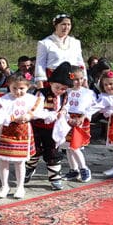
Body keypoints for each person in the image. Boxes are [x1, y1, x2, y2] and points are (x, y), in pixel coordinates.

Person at [0, 73, 46, 199]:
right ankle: (4, 185)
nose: (17, 91)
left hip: (23, 132)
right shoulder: (3, 100)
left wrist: (29, 116)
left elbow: (38, 111)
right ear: (9, 86)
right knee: (3, 160)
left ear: (27, 87)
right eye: (14, 88)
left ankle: (20, 187)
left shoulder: (31, 99)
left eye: (21, 88)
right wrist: (11, 118)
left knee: (20, 162)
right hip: (6, 131)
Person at [26, 63, 72, 191]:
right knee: (35, 151)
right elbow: (35, 111)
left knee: (53, 152)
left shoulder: (64, 96)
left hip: (53, 129)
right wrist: (49, 115)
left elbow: (65, 107)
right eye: (57, 87)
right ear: (51, 83)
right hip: (38, 127)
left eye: (63, 88)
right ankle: (29, 168)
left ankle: (55, 178)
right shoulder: (41, 94)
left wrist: (63, 112)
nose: (59, 91)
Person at [59, 65, 98, 182]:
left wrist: (83, 117)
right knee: (68, 147)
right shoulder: (66, 92)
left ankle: (84, 168)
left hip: (80, 121)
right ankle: (73, 170)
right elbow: (62, 106)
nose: (78, 81)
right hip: (68, 121)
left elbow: (93, 107)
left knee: (75, 146)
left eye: (81, 78)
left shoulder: (88, 93)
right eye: (75, 79)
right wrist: (67, 118)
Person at [35, 13, 86, 88]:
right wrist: (40, 84)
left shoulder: (75, 42)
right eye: (63, 24)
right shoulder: (45, 43)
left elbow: (80, 62)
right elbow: (40, 64)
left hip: (73, 81)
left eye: (69, 24)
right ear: (56, 25)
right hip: (54, 82)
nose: (66, 27)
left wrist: (85, 80)